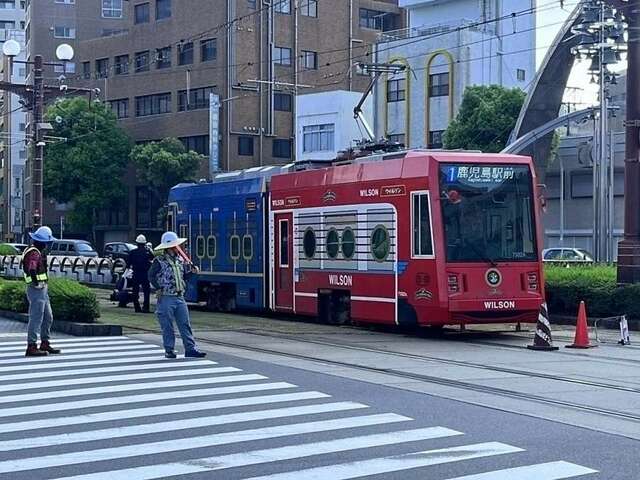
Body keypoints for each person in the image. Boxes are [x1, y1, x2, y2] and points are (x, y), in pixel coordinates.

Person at [148, 231, 206, 359]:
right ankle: (169, 350)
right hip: (166, 296)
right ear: (169, 247)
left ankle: (190, 349)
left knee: (185, 323)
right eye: (176, 246)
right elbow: (150, 276)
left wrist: (192, 273)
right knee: (167, 325)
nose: (179, 248)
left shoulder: (179, 260)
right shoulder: (159, 261)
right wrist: (157, 288)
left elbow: (183, 277)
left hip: (179, 296)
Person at [22, 226, 61, 357]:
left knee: (47, 316)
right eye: (48, 242)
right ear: (43, 242)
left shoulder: (37, 251)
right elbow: (32, 269)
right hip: (36, 289)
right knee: (36, 317)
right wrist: (36, 282)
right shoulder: (34, 253)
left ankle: (45, 342)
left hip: (42, 288)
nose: (48, 245)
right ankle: (31, 346)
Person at [127, 234, 154, 313]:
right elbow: (152, 258)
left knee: (135, 291)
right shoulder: (147, 252)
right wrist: (149, 249)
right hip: (145, 274)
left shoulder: (132, 252)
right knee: (146, 291)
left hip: (136, 274)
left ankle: (137, 307)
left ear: (137, 243)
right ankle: (146, 307)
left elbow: (128, 264)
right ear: (144, 243)